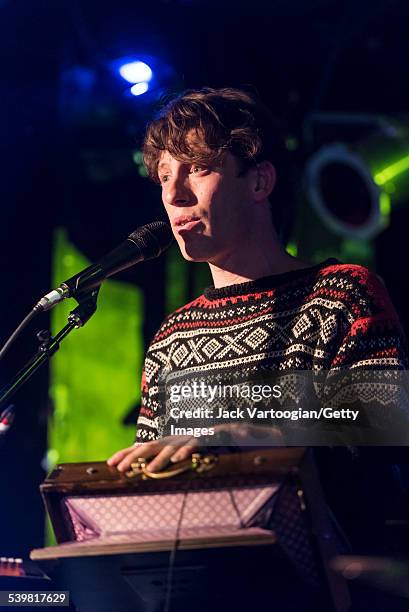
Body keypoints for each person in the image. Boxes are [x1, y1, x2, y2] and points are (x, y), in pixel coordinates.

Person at [108, 87, 408, 474]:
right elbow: (154, 473)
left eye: (197, 167)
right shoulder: (172, 338)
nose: (174, 194)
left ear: (259, 182)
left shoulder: (342, 295)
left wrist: (242, 439)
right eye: (165, 177)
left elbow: (380, 432)